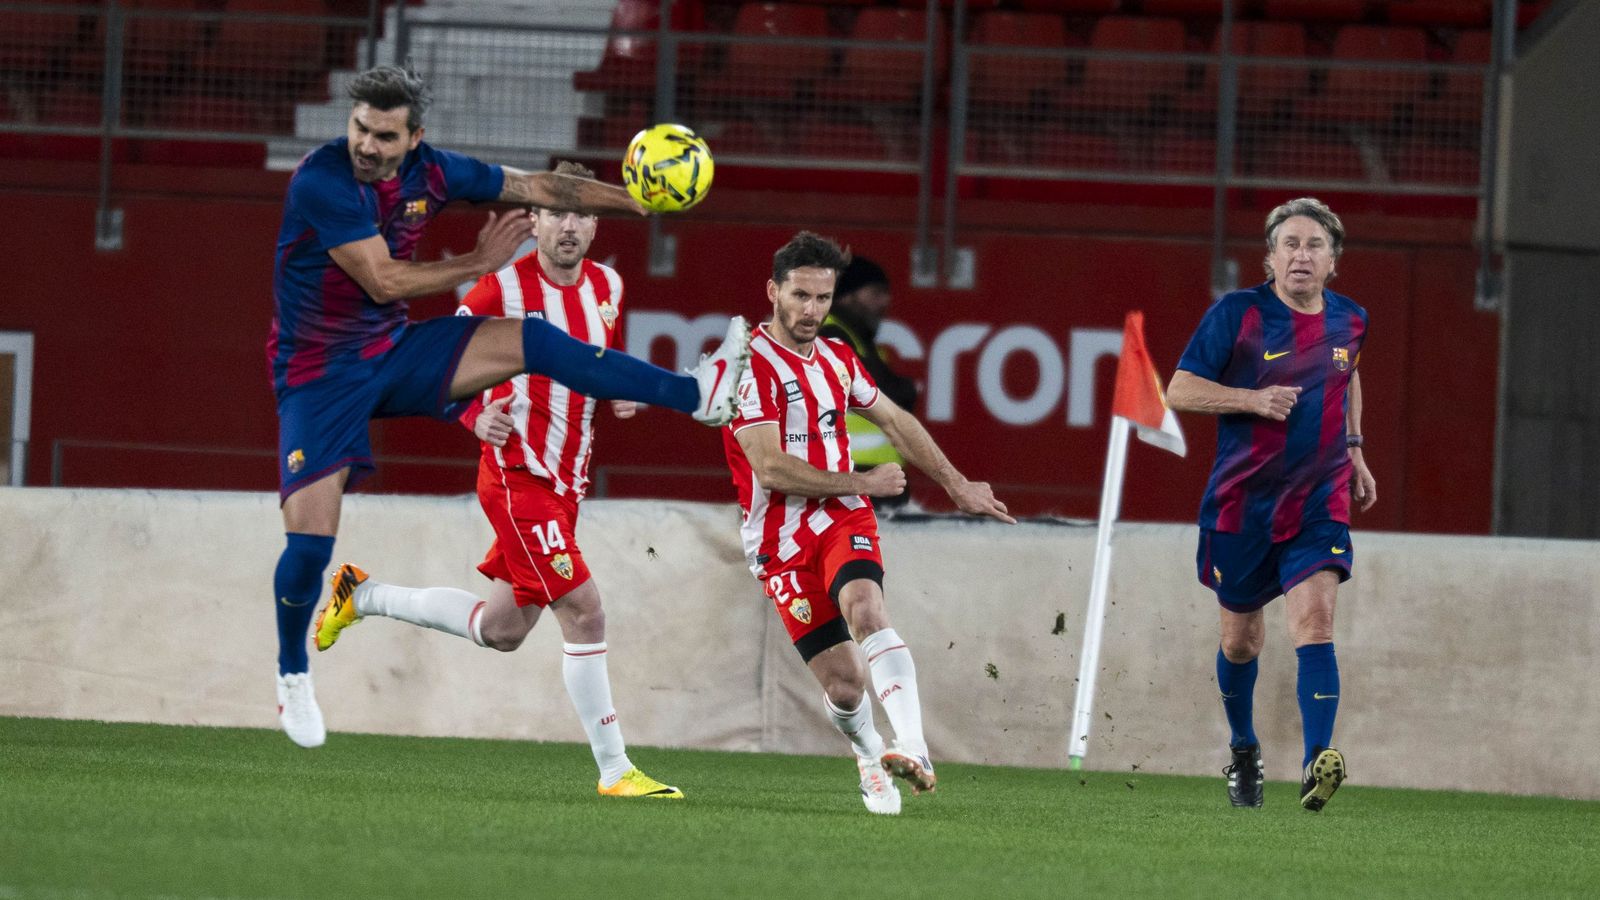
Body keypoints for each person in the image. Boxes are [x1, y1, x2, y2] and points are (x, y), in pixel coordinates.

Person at [269, 64, 750, 749]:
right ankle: (292, 675)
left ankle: (697, 392)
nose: (368, 147)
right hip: (319, 375)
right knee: (310, 545)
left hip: (394, 352)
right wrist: (473, 263)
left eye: (384, 135)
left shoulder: (435, 173)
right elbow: (382, 280)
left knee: (535, 343)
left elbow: (537, 187)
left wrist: (636, 201)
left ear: (415, 137)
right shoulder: (322, 181)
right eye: (360, 130)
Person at [311, 161, 680, 798]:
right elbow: (439, 365)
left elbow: (602, 359)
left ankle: (361, 595)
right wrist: (475, 414)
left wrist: (624, 395)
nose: (568, 225)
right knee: (585, 614)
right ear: (533, 219)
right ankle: (617, 771)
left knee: (503, 631)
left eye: (580, 213)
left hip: (566, 487)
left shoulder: (609, 288)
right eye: (556, 212)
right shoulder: (497, 290)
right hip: (517, 478)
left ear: (596, 223)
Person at [722, 232, 1015, 815]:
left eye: (824, 298)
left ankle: (915, 748)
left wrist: (956, 483)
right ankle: (869, 753)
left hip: (840, 518)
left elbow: (896, 419)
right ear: (773, 292)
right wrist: (865, 481)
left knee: (865, 605)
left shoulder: (836, 355)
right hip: (779, 538)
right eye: (801, 296)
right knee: (845, 686)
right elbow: (770, 467)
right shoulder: (746, 366)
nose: (812, 311)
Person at [1166, 197, 1376, 812]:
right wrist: (1251, 401)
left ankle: (1316, 763)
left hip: (1319, 498)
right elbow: (1178, 390)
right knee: (1242, 642)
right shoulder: (1237, 314)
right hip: (1242, 505)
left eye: (1314, 245)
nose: (1301, 255)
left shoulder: (1352, 320)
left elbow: (1350, 372)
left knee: (1315, 620)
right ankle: (1243, 748)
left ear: (1333, 261)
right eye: (1290, 244)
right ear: (1270, 257)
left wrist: (1355, 447)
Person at [817, 256, 919, 509]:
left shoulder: (857, 338)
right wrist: (904, 389)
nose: (885, 301)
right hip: (848, 480)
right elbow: (887, 392)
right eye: (875, 293)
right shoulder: (832, 335)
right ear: (847, 295)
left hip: (864, 479)